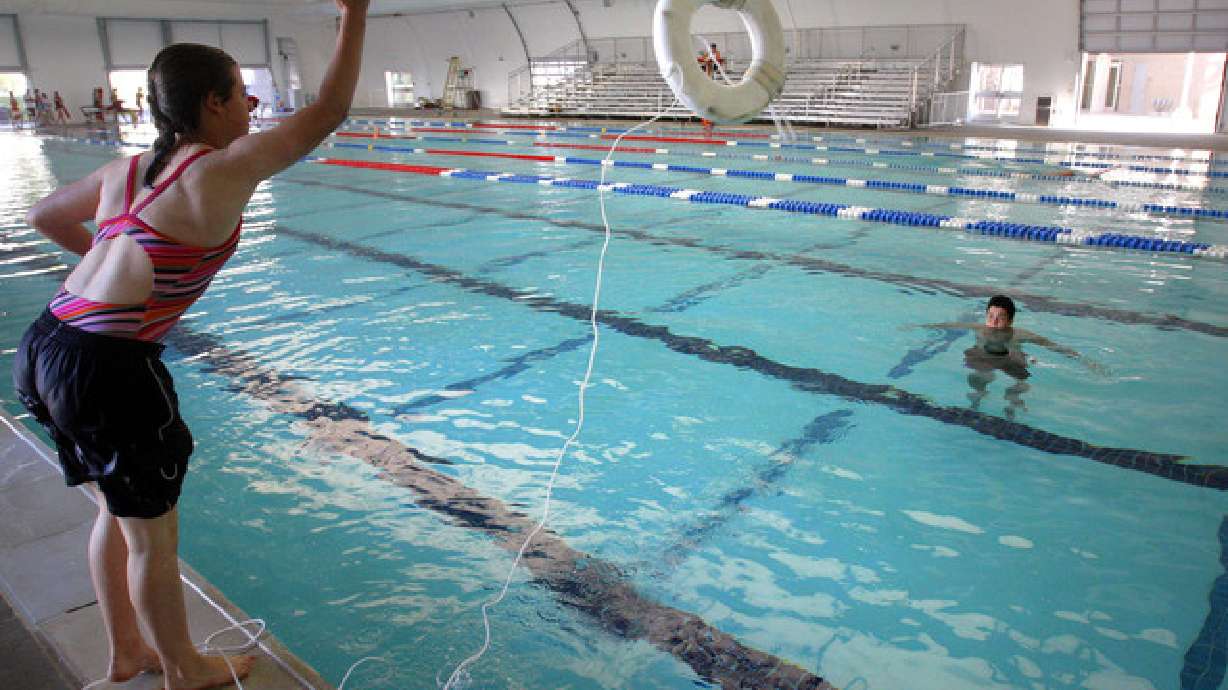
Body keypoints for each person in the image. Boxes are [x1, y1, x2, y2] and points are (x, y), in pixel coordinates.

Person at [12, 2, 368, 688]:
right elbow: (326, 110)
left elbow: (42, 214)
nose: (252, 105)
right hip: (104, 368)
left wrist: (110, 272)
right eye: (243, 93)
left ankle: (127, 651)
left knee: (115, 516)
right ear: (213, 103)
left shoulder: (131, 168)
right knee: (153, 537)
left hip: (48, 342)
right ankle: (185, 670)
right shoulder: (217, 171)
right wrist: (354, 14)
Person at [920, 295, 1107, 420]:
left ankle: (1013, 401)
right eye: (990, 316)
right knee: (977, 371)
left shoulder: (1019, 334)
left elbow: (1052, 346)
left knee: (1019, 376)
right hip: (984, 356)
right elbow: (951, 325)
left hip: (1010, 357)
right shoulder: (979, 328)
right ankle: (977, 397)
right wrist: (922, 326)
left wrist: (1084, 360)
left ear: (1010, 320)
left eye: (999, 317)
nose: (993, 322)